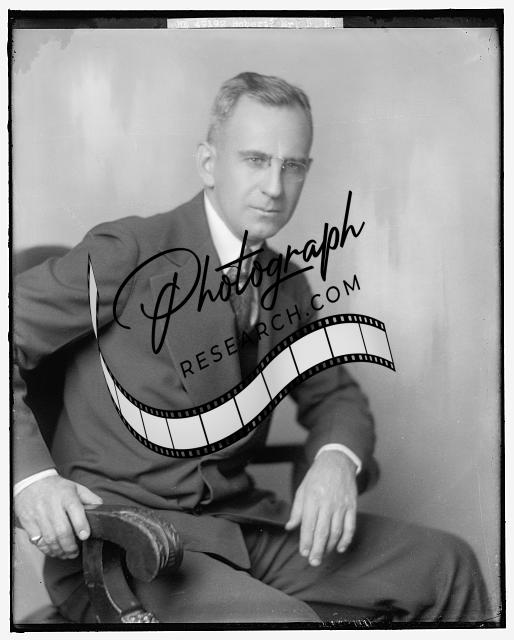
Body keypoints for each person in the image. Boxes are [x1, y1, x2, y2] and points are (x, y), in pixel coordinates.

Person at [13, 71, 491, 623]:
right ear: (208, 163)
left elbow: (335, 396)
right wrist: (31, 480)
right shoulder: (130, 252)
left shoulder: (286, 283)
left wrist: (336, 459)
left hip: (240, 528)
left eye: (293, 166)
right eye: (256, 160)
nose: (274, 187)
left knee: (447, 565)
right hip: (129, 546)